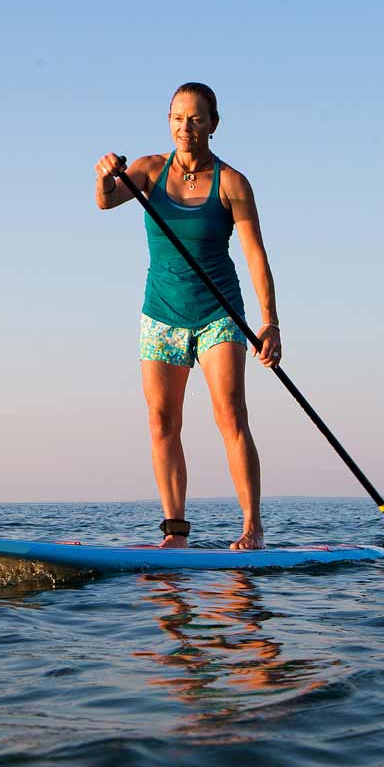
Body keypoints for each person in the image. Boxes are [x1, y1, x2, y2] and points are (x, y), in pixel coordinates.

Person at [94, 83, 281, 550]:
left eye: (196, 119)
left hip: (220, 314)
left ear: (214, 124)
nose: (186, 127)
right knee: (161, 421)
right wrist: (103, 176)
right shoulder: (149, 170)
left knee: (230, 414)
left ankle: (252, 527)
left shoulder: (233, 182)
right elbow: (106, 200)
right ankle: (175, 532)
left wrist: (270, 321)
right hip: (161, 313)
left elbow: (256, 255)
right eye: (178, 118)